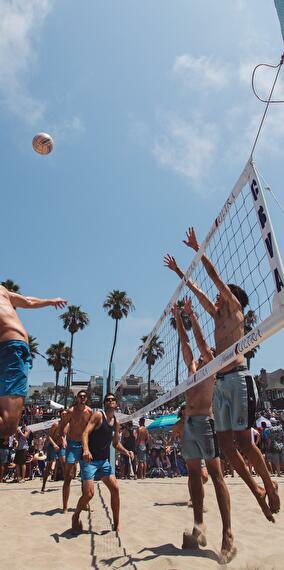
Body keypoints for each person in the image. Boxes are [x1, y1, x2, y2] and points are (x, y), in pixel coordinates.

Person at [164, 227, 280, 521]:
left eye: (221, 295)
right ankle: (257, 487)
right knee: (227, 446)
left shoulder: (236, 309)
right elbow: (199, 291)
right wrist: (179, 271)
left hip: (239, 377)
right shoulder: (216, 316)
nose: (216, 297)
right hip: (222, 382)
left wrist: (197, 250)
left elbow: (215, 277)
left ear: (232, 298)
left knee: (244, 441)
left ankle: (269, 483)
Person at [172, 300, 235, 563]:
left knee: (217, 477)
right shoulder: (191, 369)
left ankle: (228, 535)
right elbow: (186, 343)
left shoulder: (211, 362)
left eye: (206, 350)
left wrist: (192, 315)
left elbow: (198, 341)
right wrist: (177, 318)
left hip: (206, 424)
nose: (202, 352)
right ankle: (199, 526)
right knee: (194, 476)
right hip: (189, 425)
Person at [0, 284, 67, 436]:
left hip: (13, 350)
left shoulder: (2, 290)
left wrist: (50, 301)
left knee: (8, 426)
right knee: (8, 426)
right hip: (11, 350)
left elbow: (27, 301)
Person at [72, 393, 134, 533]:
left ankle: (116, 524)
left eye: (113, 400)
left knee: (115, 489)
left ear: (116, 403)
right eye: (107, 400)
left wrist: (126, 451)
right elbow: (85, 433)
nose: (110, 401)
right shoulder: (99, 416)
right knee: (89, 494)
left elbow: (116, 443)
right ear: (104, 403)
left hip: (103, 461)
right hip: (90, 460)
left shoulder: (116, 423)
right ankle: (75, 516)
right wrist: (86, 450)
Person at [60, 390, 92, 512]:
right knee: (68, 476)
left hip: (83, 444)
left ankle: (84, 503)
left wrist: (88, 447)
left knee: (85, 476)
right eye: (80, 396)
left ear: (86, 398)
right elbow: (62, 426)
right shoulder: (71, 411)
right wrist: (63, 439)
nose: (82, 398)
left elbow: (90, 429)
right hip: (72, 444)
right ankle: (65, 506)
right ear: (77, 398)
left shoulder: (89, 411)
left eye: (84, 396)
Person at [41, 414, 66, 493]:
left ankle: (66, 484)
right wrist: (54, 445)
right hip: (52, 446)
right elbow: (49, 436)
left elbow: (63, 435)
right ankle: (43, 485)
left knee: (64, 463)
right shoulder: (56, 424)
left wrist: (64, 441)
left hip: (60, 446)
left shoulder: (66, 425)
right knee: (49, 465)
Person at [14, 418, 31, 482]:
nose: (21, 422)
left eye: (22, 421)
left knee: (23, 463)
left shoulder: (27, 428)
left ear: (24, 422)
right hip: (18, 447)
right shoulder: (20, 428)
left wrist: (20, 432)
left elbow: (24, 437)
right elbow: (17, 438)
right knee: (17, 463)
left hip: (24, 448)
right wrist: (16, 432)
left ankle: (23, 478)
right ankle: (19, 477)